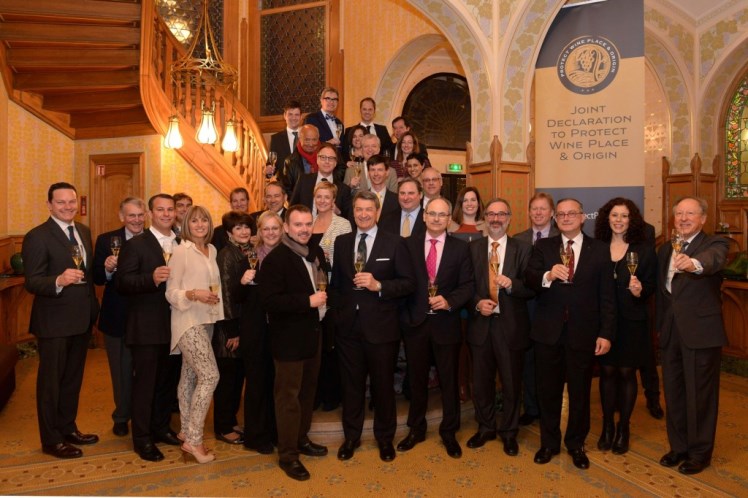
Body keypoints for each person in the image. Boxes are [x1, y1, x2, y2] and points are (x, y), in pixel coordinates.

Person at [524, 198, 615, 470]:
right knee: (547, 391)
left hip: (583, 333)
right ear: (555, 219)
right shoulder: (544, 246)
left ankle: (576, 444)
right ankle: (549, 443)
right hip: (548, 332)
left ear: (582, 217)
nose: (566, 217)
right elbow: (530, 278)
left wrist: (605, 333)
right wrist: (548, 275)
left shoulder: (600, 250)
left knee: (580, 392)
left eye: (571, 213)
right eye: (561, 214)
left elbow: (607, 296)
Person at [330, 191, 415, 462]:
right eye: (359, 209)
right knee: (351, 387)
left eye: (369, 209)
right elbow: (336, 286)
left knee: (383, 387)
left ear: (377, 212)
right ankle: (351, 437)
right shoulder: (342, 242)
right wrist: (339, 314)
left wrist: (379, 286)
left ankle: (385, 438)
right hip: (348, 329)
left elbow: (408, 283)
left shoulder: (395, 243)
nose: (364, 214)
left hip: (382, 328)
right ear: (352, 212)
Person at [22, 182, 100, 459]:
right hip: (53, 322)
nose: (68, 207)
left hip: (81, 319)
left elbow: (87, 275)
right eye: (61, 202)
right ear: (49, 205)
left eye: (72, 202)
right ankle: (51, 440)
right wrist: (58, 279)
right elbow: (32, 281)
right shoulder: (37, 237)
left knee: (72, 380)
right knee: (50, 385)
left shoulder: (83, 231)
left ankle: (68, 428)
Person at [398, 198, 474, 459]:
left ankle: (449, 432)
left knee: (449, 381)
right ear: (424, 216)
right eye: (433, 214)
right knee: (416, 379)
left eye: (443, 215)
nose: (437, 218)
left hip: (446, 324)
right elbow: (401, 281)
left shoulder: (460, 248)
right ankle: (416, 429)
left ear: (449, 219)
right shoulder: (407, 245)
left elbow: (468, 285)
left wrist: (449, 301)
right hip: (416, 324)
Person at [657, 196, 728, 475]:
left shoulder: (715, 243)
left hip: (701, 333)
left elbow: (712, 261)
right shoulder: (666, 249)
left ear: (703, 218)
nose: (683, 219)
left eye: (690, 214)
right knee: (674, 392)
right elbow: (664, 292)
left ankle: (699, 453)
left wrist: (693, 263)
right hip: (671, 332)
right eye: (679, 214)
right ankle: (679, 447)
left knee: (700, 395)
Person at [259, 205, 330, 481]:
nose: (304, 229)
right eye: (298, 225)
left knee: (307, 394)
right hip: (288, 340)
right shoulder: (276, 260)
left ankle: (301, 439)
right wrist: (306, 301)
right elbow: (270, 302)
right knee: (288, 399)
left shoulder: (315, 252)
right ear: (286, 228)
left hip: (313, 335)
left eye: (307, 224)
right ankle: (288, 455)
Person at [116, 193, 182, 462]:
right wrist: (150, 278)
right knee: (145, 386)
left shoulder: (182, 243)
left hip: (176, 324)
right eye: (160, 210)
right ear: (150, 214)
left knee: (166, 383)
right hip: (146, 326)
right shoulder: (136, 244)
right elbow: (122, 282)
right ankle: (142, 438)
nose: (166, 214)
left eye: (170, 209)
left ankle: (160, 427)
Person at [466, 198, 533, 456]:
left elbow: (531, 288)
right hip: (481, 325)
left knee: (511, 382)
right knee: (481, 382)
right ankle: (485, 427)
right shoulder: (472, 248)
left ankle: (509, 432)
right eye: (491, 214)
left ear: (510, 218)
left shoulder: (523, 249)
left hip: (510, 327)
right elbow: (465, 285)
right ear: (485, 218)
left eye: (501, 214)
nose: (496, 219)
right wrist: (477, 302)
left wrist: (512, 284)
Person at [593, 198, 656, 455]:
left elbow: (651, 285)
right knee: (607, 372)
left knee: (627, 373)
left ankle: (624, 428)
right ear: (607, 218)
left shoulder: (644, 250)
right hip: (604, 322)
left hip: (632, 321)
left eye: (624, 216)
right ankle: (607, 426)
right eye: (614, 215)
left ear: (632, 220)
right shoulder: (597, 248)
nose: (619, 220)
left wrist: (640, 290)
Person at [165, 206, 223, 464]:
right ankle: (194, 440)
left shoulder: (212, 250)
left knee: (189, 377)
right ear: (187, 224)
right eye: (195, 221)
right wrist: (192, 294)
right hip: (187, 321)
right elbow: (170, 292)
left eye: (204, 220)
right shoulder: (181, 251)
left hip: (207, 319)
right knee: (210, 376)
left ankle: (185, 430)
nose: (200, 225)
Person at [93, 196, 147, 438]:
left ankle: (144, 416)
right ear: (122, 217)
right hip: (117, 316)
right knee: (121, 371)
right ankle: (122, 416)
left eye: (140, 215)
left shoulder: (154, 239)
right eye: (131, 215)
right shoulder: (107, 240)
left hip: (147, 317)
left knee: (146, 371)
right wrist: (107, 269)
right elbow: (97, 278)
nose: (136, 220)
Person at [513, 192, 559, 426]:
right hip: (526, 308)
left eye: (543, 208)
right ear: (529, 212)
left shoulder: (562, 237)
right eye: (534, 209)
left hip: (553, 306)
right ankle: (531, 407)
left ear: (552, 213)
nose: (538, 213)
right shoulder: (518, 239)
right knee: (528, 360)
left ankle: (550, 408)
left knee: (551, 363)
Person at [212, 210, 256, 446]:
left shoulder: (249, 251)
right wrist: (233, 331)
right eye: (238, 228)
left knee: (238, 378)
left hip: (243, 324)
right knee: (227, 381)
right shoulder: (226, 255)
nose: (243, 231)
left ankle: (230, 420)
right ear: (229, 233)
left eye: (246, 227)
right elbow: (226, 295)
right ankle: (223, 427)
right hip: (228, 329)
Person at [242, 211, 284, 454]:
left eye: (274, 228)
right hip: (255, 329)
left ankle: (275, 432)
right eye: (265, 228)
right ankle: (256, 436)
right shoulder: (248, 256)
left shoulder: (288, 255)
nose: (270, 233)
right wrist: (242, 282)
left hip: (279, 329)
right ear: (259, 231)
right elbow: (236, 295)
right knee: (257, 383)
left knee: (276, 383)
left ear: (282, 230)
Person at [309, 180, 352, 412]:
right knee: (313, 344)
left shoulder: (342, 224)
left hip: (334, 290)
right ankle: (314, 394)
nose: (323, 201)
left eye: (327, 197)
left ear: (333, 200)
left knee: (331, 344)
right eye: (319, 197)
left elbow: (347, 259)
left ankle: (332, 395)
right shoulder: (308, 222)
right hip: (310, 290)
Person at [290, 144, 352, 221]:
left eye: (331, 158)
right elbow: (292, 207)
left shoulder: (344, 189)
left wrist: (338, 212)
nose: (327, 161)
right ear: (317, 159)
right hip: (305, 226)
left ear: (335, 163)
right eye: (323, 157)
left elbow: (349, 219)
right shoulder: (304, 180)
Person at [278, 124, 320, 197]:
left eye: (314, 140)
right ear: (300, 139)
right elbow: (287, 190)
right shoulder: (290, 162)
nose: (311, 144)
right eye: (307, 140)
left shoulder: (327, 155)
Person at [212, 187, 256, 253]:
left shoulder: (257, 227)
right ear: (231, 204)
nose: (239, 204)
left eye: (242, 200)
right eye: (235, 201)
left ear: (248, 202)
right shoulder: (218, 232)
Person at [269, 100, 303, 177]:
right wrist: (269, 171)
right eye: (290, 114)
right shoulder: (276, 139)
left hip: (304, 182)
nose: (293, 118)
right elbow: (271, 165)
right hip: (284, 183)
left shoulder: (308, 136)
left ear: (301, 117)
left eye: (297, 115)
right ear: (284, 116)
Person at [366, 155, 400, 219]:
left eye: (380, 170)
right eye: (372, 170)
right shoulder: (360, 199)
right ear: (368, 173)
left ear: (387, 172)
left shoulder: (397, 200)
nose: (376, 174)